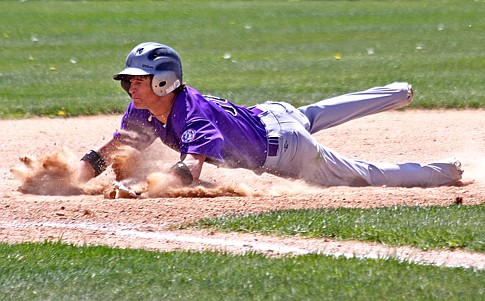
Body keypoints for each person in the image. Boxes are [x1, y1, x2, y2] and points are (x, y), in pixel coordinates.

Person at [77, 42, 463, 188]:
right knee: (314, 112)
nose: (131, 88)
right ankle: (398, 92)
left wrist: (150, 187)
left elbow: (188, 171)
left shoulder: (191, 115)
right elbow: (113, 148)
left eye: (139, 81)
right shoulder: (143, 110)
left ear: (164, 82)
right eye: (128, 81)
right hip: (271, 115)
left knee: (364, 175)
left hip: (288, 149)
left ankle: (448, 170)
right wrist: (72, 176)